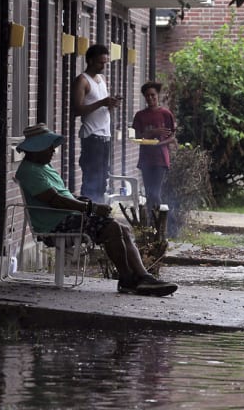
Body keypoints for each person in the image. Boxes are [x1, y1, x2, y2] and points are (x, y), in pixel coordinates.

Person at [14, 123, 178, 297]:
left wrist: (80, 200)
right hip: (55, 224)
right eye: (49, 147)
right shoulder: (29, 171)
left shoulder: (43, 167)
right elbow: (54, 200)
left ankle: (143, 277)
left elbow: (63, 196)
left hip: (68, 217)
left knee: (123, 229)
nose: (53, 151)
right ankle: (127, 279)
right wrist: (90, 207)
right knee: (111, 228)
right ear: (35, 149)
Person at [72, 44, 122, 203]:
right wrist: (102, 103)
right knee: (91, 182)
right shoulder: (82, 80)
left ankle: (97, 217)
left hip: (105, 136)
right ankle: (87, 219)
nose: (103, 66)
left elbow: (102, 106)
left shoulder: (101, 80)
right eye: (101, 63)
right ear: (90, 60)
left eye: (106, 63)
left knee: (101, 182)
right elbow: (77, 109)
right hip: (92, 138)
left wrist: (110, 104)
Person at [132, 81, 176, 219]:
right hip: (146, 159)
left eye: (153, 95)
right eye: (147, 96)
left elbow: (172, 137)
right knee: (149, 193)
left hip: (161, 159)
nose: (150, 98)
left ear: (158, 96)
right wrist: (152, 133)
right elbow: (137, 136)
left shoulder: (166, 114)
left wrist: (159, 144)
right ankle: (152, 225)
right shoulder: (140, 115)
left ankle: (159, 223)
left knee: (155, 192)